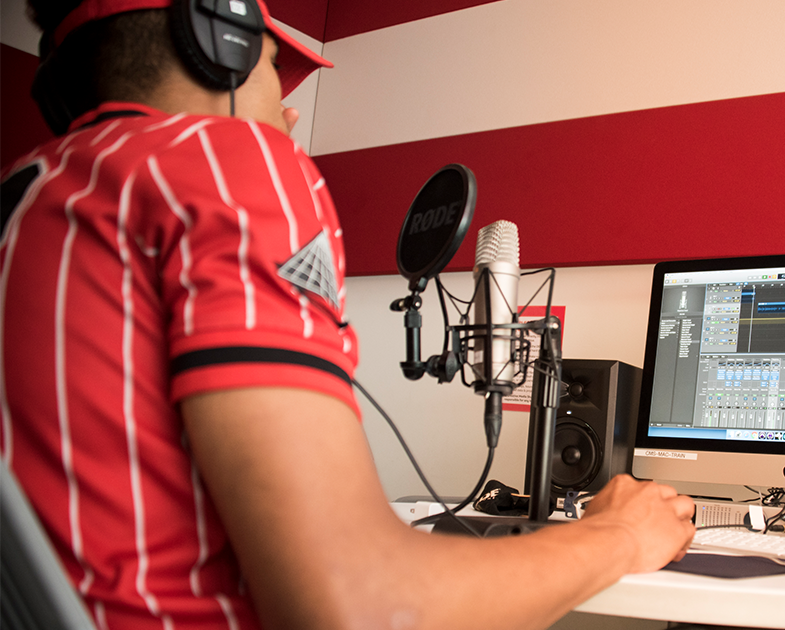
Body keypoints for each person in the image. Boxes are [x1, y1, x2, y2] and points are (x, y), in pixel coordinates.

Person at [0, 1, 696, 629]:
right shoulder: (225, 161)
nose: (289, 117)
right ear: (222, 36)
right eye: (276, 69)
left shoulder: (30, 196)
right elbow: (366, 605)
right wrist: (619, 535)